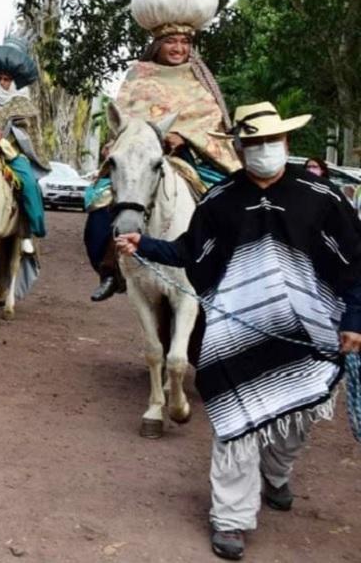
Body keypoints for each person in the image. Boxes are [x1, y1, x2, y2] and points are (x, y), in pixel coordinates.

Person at [115, 102, 361, 561]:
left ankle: (276, 469)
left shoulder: (323, 197)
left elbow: (356, 259)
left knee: (298, 416)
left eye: (272, 141)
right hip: (235, 329)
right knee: (235, 423)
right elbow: (190, 250)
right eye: (254, 143)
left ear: (286, 143)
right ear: (241, 148)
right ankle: (230, 518)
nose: (264, 150)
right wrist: (142, 243)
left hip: (310, 330)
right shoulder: (219, 200)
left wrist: (353, 320)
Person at [87, 0, 239, 302]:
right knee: (98, 210)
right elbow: (122, 120)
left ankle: (226, 270)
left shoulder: (200, 80)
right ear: (157, 43)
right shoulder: (137, 77)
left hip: (190, 158)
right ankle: (111, 270)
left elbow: (211, 122)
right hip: (138, 160)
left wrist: (180, 136)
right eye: (171, 41)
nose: (179, 48)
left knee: (228, 207)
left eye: (185, 42)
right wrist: (126, 142)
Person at [0, 34, 50, 246]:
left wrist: (3, 140)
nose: (2, 82)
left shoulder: (24, 105)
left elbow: (27, 134)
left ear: (15, 80)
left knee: (27, 183)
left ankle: (29, 231)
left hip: (11, 154)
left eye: (6, 79)